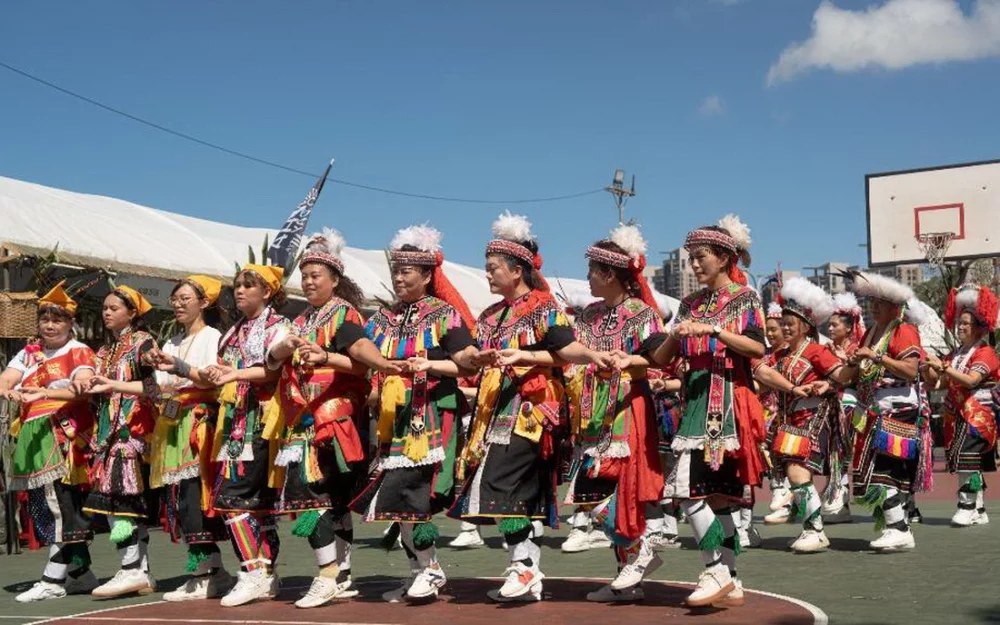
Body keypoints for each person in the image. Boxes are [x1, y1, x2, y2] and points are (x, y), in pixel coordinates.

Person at [451, 211, 612, 603]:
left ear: (517, 270)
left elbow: (563, 349)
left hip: (533, 409)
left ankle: (523, 568)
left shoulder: (542, 306)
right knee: (517, 492)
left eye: (492, 269)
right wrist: (475, 356)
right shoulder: (490, 316)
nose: (487, 275)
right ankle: (527, 571)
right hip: (496, 409)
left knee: (498, 483)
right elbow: (468, 356)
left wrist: (592, 354)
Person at [266, 230, 400, 609]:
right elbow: (273, 360)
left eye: (316, 276)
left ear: (335, 280)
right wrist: (285, 346)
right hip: (303, 418)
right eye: (305, 276)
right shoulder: (301, 319)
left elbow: (359, 357)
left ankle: (326, 574)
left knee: (312, 501)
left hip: (331, 421)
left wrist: (379, 364)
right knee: (332, 501)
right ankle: (340, 573)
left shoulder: (343, 314)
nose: (308, 282)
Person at [351, 225, 479, 603]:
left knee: (409, 493)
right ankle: (422, 570)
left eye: (408, 270)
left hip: (430, 418)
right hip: (393, 418)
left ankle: (430, 569)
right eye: (397, 270)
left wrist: (432, 366)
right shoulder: (383, 318)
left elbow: (465, 365)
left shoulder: (445, 315)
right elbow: (362, 355)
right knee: (398, 497)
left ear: (427, 276)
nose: (400, 276)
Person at [649, 214, 766, 608]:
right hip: (696, 401)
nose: (694, 265)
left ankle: (715, 568)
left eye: (701, 257)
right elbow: (666, 358)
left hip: (728, 401)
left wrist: (713, 331)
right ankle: (730, 578)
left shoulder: (745, 298)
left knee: (688, 491)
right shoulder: (689, 304)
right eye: (691, 258)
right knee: (715, 500)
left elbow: (756, 349)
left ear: (722, 256)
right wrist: (675, 336)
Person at [562, 224, 666, 603]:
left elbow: (657, 360)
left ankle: (635, 558)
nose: (588, 277)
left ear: (609, 274)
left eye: (592, 270)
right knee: (590, 494)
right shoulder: (588, 314)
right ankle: (632, 565)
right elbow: (572, 352)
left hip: (626, 409)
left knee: (617, 486)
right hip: (591, 411)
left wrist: (628, 361)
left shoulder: (642, 314)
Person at [3, 283, 99, 602]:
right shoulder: (29, 353)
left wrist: (46, 392)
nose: (50, 324)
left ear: (70, 323)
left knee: (60, 504)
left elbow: (83, 384)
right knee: (44, 505)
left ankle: (53, 579)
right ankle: (80, 573)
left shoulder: (78, 350)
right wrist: (8, 390)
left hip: (62, 432)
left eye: (58, 319)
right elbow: (7, 378)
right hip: (33, 433)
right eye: (45, 318)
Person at [204, 265, 292, 606]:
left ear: (267, 292)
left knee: (234, 499)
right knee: (256, 506)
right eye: (238, 285)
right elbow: (230, 369)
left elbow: (272, 372)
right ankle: (267, 575)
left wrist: (234, 374)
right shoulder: (234, 331)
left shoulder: (277, 327)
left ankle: (252, 572)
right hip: (237, 419)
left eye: (248, 285)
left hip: (260, 420)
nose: (239, 291)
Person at [144, 276, 234, 601]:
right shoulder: (171, 342)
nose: (178, 304)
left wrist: (180, 371)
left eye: (185, 298)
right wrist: (142, 378)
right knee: (180, 499)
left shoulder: (214, 338)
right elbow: (158, 387)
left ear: (203, 302)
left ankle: (208, 574)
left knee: (196, 497)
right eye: (175, 299)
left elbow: (216, 382)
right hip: (172, 423)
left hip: (198, 424)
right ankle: (208, 571)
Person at [754, 278, 853, 552]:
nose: (785, 328)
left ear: (806, 326)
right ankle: (810, 527)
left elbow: (844, 376)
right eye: (782, 323)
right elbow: (761, 375)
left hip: (814, 416)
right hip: (788, 420)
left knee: (797, 471)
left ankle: (815, 530)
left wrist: (831, 383)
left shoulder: (815, 351)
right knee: (792, 472)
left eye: (790, 323)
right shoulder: (781, 355)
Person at [845, 271, 930, 552]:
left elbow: (911, 370)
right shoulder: (870, 332)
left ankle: (900, 529)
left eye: (879, 302)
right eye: (871, 302)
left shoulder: (903, 330)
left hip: (898, 409)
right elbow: (858, 370)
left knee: (885, 471)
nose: (873, 308)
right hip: (872, 409)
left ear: (895, 306)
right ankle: (896, 526)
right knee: (872, 472)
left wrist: (876, 356)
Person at [82, 285, 158, 597]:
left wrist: (114, 385)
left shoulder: (143, 344)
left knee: (122, 501)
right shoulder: (104, 351)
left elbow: (155, 386)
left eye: (115, 307)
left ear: (132, 312)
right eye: (105, 308)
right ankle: (140, 571)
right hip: (107, 432)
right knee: (117, 503)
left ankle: (130, 569)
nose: (107, 312)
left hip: (131, 429)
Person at [925, 283, 998, 528]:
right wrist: (929, 370)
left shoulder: (986, 352)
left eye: (966, 323)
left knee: (967, 458)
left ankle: (966, 506)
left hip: (978, 414)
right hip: (956, 414)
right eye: (960, 322)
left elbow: (971, 380)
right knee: (968, 462)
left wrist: (945, 368)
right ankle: (978, 507)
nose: (961, 326)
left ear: (980, 328)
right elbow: (939, 384)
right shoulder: (956, 353)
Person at [821, 293, 866, 525]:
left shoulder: (857, 350)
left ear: (848, 329)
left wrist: (843, 361)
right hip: (828, 405)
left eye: (834, 324)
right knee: (831, 452)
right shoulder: (826, 348)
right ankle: (837, 498)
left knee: (841, 451)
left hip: (847, 405)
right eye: (828, 324)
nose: (830, 328)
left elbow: (854, 379)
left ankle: (840, 497)